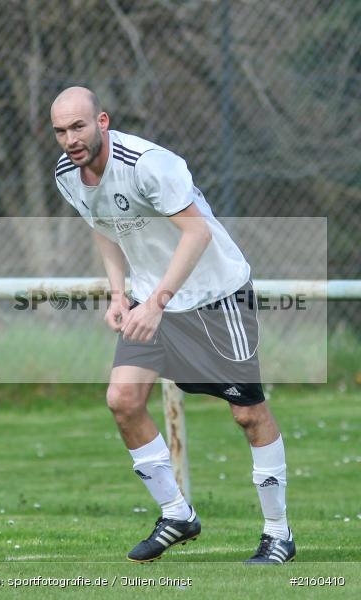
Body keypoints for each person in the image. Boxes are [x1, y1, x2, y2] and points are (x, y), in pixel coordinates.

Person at [50, 86, 296, 564]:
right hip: (150, 299)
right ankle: (177, 514)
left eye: (77, 127)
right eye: (60, 131)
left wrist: (157, 302)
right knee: (122, 400)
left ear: (102, 121)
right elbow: (104, 230)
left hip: (214, 295)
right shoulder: (68, 173)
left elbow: (197, 231)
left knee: (248, 413)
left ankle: (278, 534)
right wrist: (121, 295)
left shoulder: (146, 163)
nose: (69, 139)